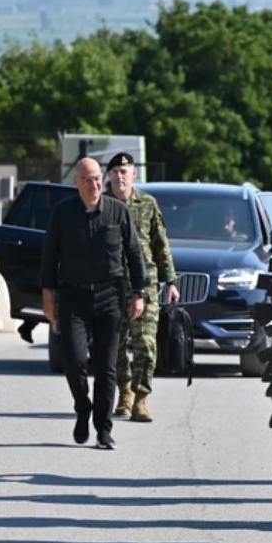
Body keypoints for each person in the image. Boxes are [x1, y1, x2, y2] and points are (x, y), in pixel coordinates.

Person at [40, 156, 148, 450]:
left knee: (107, 367)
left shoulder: (118, 212)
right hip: (73, 297)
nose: (95, 184)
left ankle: (103, 428)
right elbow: (49, 258)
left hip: (110, 297)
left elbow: (134, 254)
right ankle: (82, 407)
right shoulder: (62, 214)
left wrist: (139, 293)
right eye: (87, 179)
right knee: (74, 361)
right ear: (76, 183)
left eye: (98, 178)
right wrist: (48, 298)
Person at [104, 152, 178, 422]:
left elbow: (161, 243)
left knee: (146, 343)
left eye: (125, 171)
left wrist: (171, 280)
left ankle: (141, 398)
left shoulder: (147, 204)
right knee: (115, 345)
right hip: (110, 287)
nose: (120, 176)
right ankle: (124, 391)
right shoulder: (101, 204)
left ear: (134, 174)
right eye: (115, 171)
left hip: (144, 285)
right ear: (109, 175)